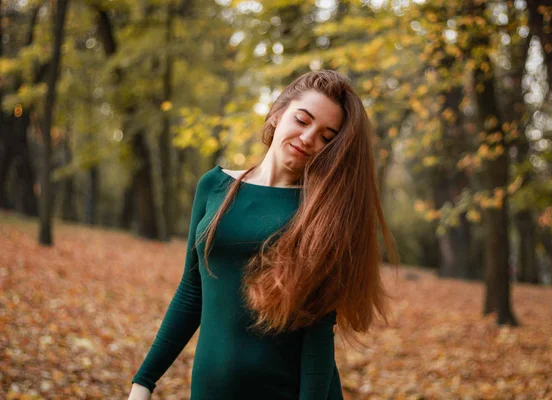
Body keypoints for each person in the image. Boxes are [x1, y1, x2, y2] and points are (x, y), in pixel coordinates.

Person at [127, 69, 399, 400]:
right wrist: (144, 381)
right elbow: (191, 290)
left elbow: (317, 333)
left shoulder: (323, 214)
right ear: (276, 115)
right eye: (302, 120)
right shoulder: (214, 186)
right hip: (211, 387)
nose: (309, 137)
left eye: (327, 136)